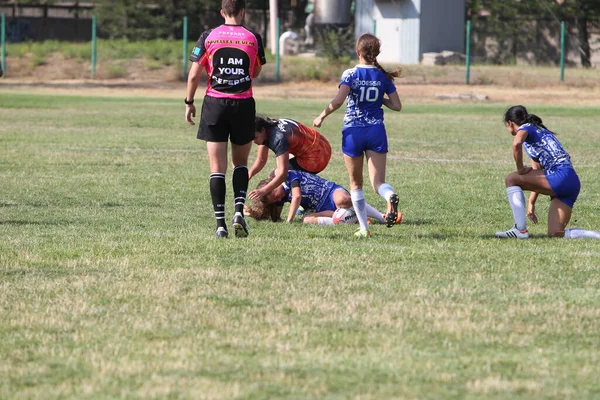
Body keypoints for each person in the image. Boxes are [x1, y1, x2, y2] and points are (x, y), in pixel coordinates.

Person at [185, 0, 266, 239]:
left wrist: (189, 103)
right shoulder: (253, 37)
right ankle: (238, 211)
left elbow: (193, 76)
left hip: (215, 105)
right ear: (243, 12)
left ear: (222, 12)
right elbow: (256, 70)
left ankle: (220, 224)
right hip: (243, 105)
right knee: (240, 164)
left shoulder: (208, 36)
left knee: (216, 168)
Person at [313, 33, 403, 238]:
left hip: (354, 131)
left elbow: (337, 101)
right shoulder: (383, 77)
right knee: (378, 182)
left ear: (358, 52)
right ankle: (389, 195)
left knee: (356, 184)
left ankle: (364, 229)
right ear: (376, 53)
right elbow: (397, 106)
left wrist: (321, 116)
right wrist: (380, 99)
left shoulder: (350, 74)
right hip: (376, 131)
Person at [495, 105, 600, 239]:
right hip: (571, 181)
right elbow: (537, 173)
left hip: (559, 176)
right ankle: (597, 236)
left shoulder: (526, 127)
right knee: (555, 233)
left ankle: (520, 230)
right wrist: (531, 203)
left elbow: (516, 144)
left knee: (511, 179)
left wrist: (520, 168)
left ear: (510, 123)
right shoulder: (538, 131)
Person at [245, 170, 386, 226]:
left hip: (331, 192)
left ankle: (382, 217)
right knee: (306, 220)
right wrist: (253, 213)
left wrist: (289, 221)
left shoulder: (289, 176)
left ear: (272, 186)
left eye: (274, 197)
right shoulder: (280, 198)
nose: (277, 200)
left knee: (343, 200)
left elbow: (297, 197)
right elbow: (275, 219)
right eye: (274, 201)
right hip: (322, 210)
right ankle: (353, 219)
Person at [247, 117, 332, 201]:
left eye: (255, 137)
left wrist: (263, 191)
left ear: (262, 130)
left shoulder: (278, 138)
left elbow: (282, 175)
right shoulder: (269, 125)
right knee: (278, 177)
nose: (253, 141)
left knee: (274, 176)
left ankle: (277, 212)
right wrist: (249, 174)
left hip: (317, 157)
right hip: (322, 143)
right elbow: (261, 159)